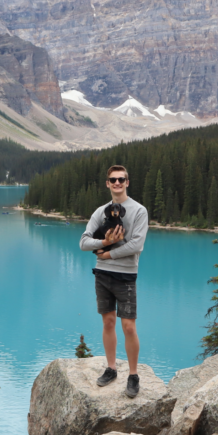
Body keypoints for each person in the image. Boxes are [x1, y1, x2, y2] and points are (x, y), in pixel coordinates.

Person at [79, 165, 149, 398]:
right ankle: (111, 369)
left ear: (127, 182)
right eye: (113, 180)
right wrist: (104, 244)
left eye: (121, 179)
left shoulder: (139, 211)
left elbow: (136, 245)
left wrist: (108, 253)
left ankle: (133, 375)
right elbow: (84, 242)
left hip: (126, 275)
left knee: (128, 326)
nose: (117, 183)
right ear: (107, 183)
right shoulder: (101, 211)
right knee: (108, 322)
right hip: (102, 275)